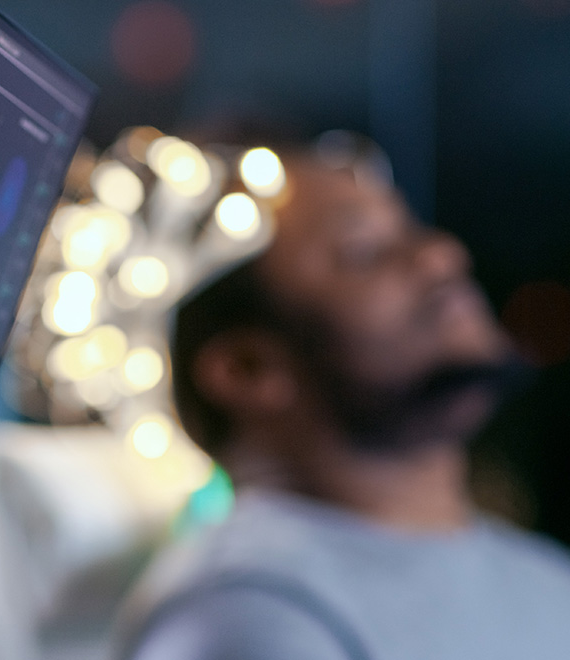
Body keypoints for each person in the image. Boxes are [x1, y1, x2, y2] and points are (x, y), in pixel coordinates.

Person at [116, 148, 570, 659]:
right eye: (364, 251)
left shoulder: (547, 578)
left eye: (411, 232)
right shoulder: (247, 614)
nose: (440, 255)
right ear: (249, 368)